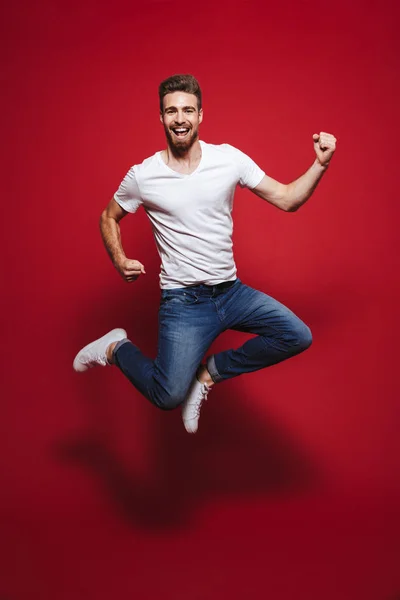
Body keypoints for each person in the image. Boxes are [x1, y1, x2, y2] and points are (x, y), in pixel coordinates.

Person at [73, 74, 336, 434]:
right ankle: (116, 348)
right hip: (183, 303)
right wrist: (119, 259)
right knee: (167, 397)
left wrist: (320, 164)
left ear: (200, 116)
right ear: (161, 118)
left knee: (297, 335)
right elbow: (108, 216)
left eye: (187, 110)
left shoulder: (229, 160)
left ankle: (209, 374)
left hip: (231, 292)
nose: (179, 118)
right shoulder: (143, 176)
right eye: (171, 111)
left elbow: (288, 199)